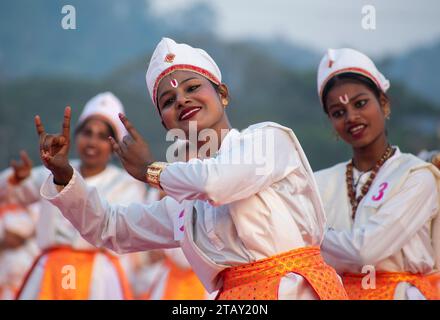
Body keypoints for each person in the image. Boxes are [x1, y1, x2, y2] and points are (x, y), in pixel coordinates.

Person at [33, 38, 347, 300]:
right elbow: (111, 228)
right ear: (164, 121)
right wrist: (64, 177)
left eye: (193, 87)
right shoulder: (183, 205)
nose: (182, 100)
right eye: (168, 100)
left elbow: (217, 182)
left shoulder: (268, 140)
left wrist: (150, 171)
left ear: (222, 94)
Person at [314, 48, 440, 300]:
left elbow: (366, 251)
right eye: (338, 112)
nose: (351, 117)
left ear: (383, 103)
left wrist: (313, 239)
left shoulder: (416, 176)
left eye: (360, 103)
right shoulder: (319, 182)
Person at [0, 92, 148, 299]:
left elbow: (120, 231)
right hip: (48, 272)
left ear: (113, 146)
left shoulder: (126, 184)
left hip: (98, 278)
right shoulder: (51, 171)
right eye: (87, 133)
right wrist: (16, 178)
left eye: (102, 136)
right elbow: (12, 194)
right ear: (76, 136)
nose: (92, 143)